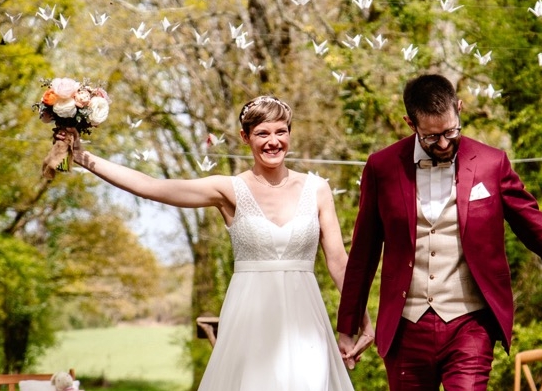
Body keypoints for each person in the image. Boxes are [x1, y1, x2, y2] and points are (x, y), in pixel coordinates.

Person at [336, 74, 542, 391]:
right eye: (431, 137)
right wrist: (348, 325)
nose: (443, 144)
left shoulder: (491, 163)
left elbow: (540, 232)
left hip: (470, 324)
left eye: (450, 131)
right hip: (406, 328)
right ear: (410, 123)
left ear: (459, 108)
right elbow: (363, 253)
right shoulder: (382, 167)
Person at [63, 95, 374, 391]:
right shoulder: (228, 189)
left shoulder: (317, 189)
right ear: (245, 137)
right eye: (262, 133)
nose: (273, 141)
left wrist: (361, 321)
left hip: (305, 321)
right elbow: (152, 186)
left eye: (281, 132)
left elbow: (339, 263)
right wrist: (82, 157)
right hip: (249, 321)